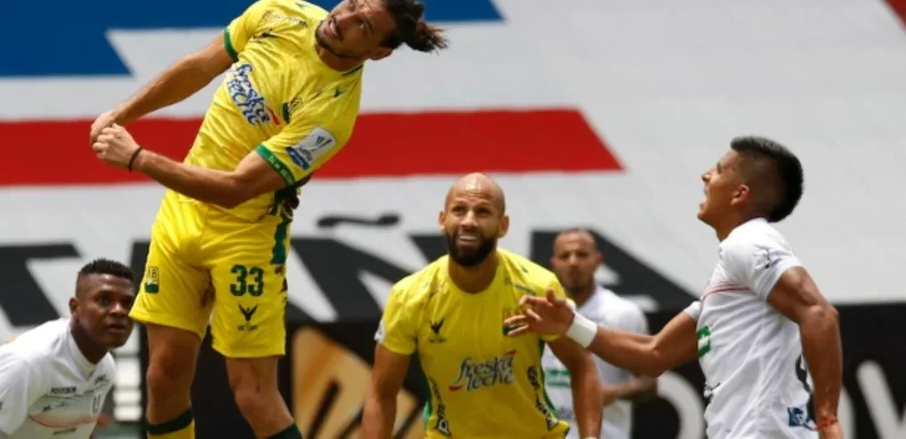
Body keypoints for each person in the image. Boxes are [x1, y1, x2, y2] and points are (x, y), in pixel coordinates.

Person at [90, 0, 449, 439]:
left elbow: (236, 189)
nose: (344, 16)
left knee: (254, 395)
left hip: (245, 237)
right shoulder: (278, 11)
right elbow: (200, 66)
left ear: (378, 52)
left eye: (362, 24)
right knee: (162, 378)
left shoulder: (330, 115)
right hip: (179, 216)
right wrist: (123, 113)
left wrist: (137, 158)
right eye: (353, 3)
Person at [506, 136, 844, 438]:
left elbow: (818, 313)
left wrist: (827, 419)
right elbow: (653, 354)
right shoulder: (731, 281)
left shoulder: (750, 239)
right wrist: (569, 325)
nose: (706, 175)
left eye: (720, 170)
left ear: (741, 194)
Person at [361, 173, 603, 439]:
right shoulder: (409, 297)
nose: (469, 221)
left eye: (483, 212)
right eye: (459, 210)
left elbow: (582, 366)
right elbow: (381, 394)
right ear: (443, 220)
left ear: (503, 225)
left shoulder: (537, 286)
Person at [0, 259, 136, 439]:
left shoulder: (105, 368)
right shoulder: (31, 362)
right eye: (104, 300)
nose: (119, 311)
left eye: (127, 303)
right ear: (75, 308)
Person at [541, 228, 657, 438]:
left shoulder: (623, 313)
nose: (573, 262)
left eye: (582, 254)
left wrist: (615, 392)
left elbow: (650, 383)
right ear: (554, 264)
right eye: (565, 256)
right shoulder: (540, 312)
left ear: (597, 260)